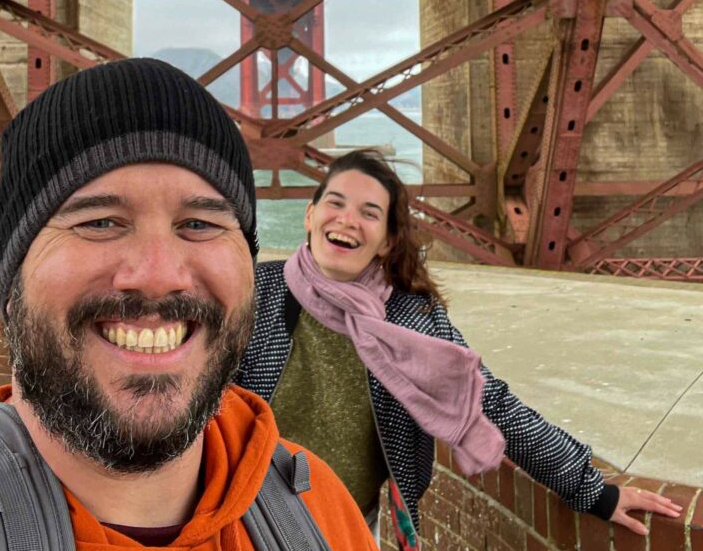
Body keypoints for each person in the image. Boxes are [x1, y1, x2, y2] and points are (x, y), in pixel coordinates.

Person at [0, 59, 383, 551]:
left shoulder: (318, 506)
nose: (158, 275)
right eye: (100, 222)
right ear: (12, 275)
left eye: (199, 224)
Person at [236, 148, 682, 550]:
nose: (347, 219)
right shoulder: (254, 293)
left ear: (387, 242)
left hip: (347, 526)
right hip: (241, 518)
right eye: (335, 203)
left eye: (369, 212)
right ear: (310, 216)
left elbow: (491, 403)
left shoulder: (412, 320)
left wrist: (594, 492)